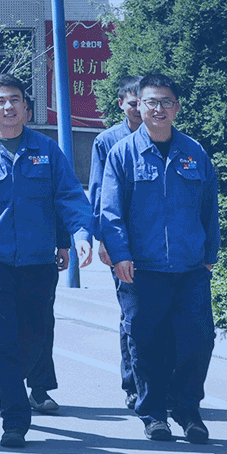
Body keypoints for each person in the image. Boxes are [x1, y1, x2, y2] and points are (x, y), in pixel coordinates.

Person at [0, 75, 89, 448]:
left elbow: (68, 196)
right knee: (2, 339)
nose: (8, 107)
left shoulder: (47, 150)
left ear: (26, 107)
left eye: (15, 100)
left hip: (38, 262)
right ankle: (14, 419)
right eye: (0, 101)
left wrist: (77, 236)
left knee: (36, 337)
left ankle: (9, 378)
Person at [97, 73, 221, 444]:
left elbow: (209, 207)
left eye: (166, 102)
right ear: (139, 105)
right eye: (151, 102)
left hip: (190, 267)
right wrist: (119, 254)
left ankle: (188, 410)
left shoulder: (194, 152)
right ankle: (153, 415)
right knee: (146, 343)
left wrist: (209, 254)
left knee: (199, 340)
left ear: (177, 107)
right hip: (142, 268)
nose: (158, 109)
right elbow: (110, 210)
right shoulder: (123, 153)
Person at [88, 76, 146, 410]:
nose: (139, 108)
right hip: (122, 243)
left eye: (143, 102)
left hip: (158, 246)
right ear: (121, 103)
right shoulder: (107, 141)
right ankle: (133, 384)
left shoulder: (166, 138)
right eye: (133, 102)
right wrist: (104, 240)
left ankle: (159, 383)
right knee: (131, 315)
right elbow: (98, 194)